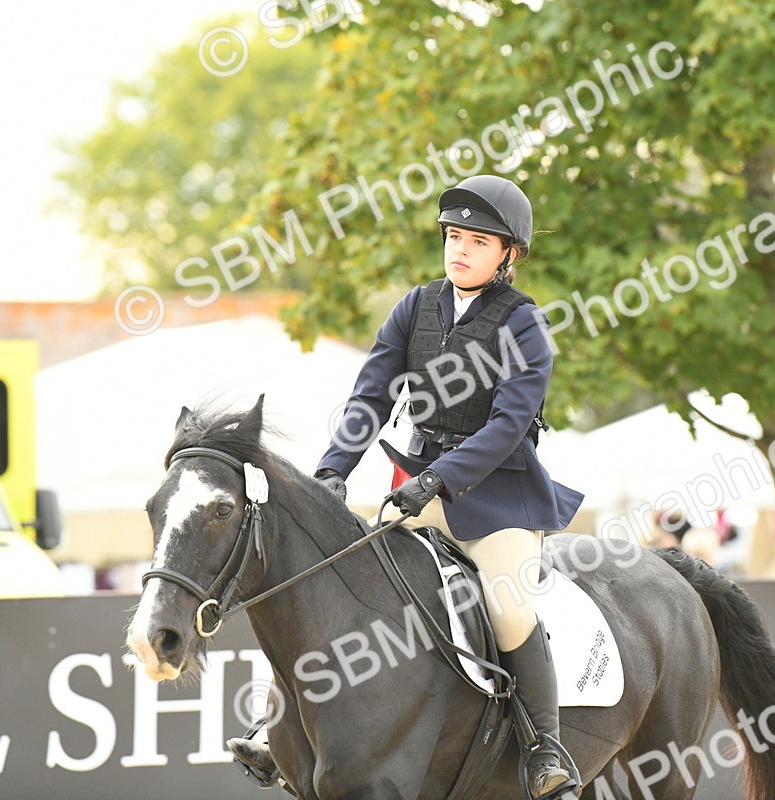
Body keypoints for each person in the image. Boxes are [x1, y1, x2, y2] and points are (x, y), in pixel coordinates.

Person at [230, 175, 584, 798]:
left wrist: (439, 479)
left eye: (478, 242)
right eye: (454, 237)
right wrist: (333, 470)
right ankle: (278, 724)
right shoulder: (415, 308)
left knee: (508, 609)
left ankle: (544, 748)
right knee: (339, 586)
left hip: (496, 502)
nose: (461, 250)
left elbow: (509, 425)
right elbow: (369, 397)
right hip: (416, 492)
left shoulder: (524, 323)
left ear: (509, 254)